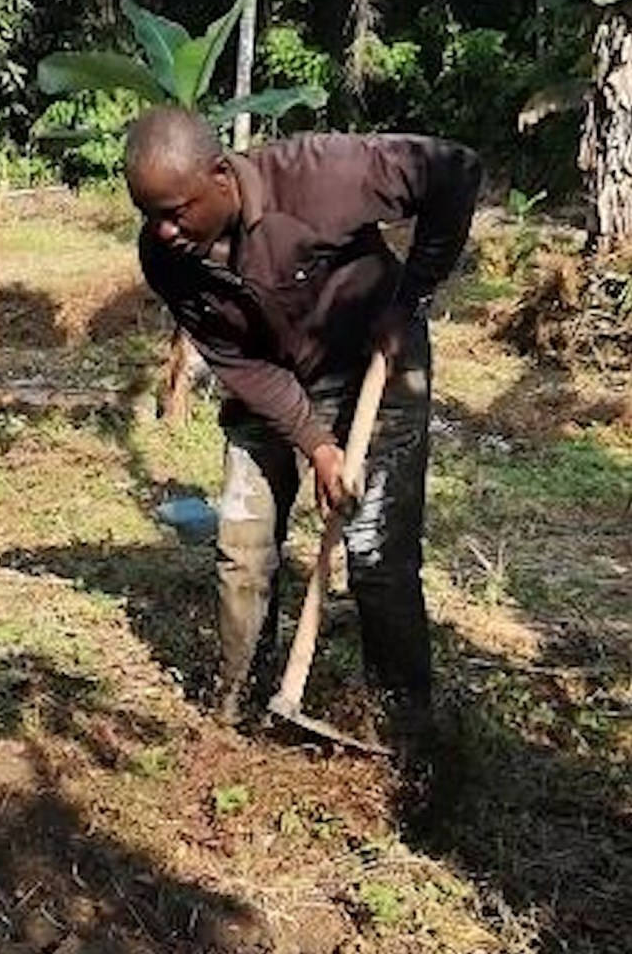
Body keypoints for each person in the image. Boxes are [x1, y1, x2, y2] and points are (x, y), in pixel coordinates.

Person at [124, 106, 481, 743]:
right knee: (243, 548)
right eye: (149, 214)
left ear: (221, 175)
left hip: (375, 360)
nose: (165, 230)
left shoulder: (318, 176)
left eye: (177, 211)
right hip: (267, 382)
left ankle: (405, 731)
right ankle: (242, 709)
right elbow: (239, 361)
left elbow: (453, 171)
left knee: (376, 555)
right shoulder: (165, 259)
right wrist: (315, 443)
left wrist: (411, 301)